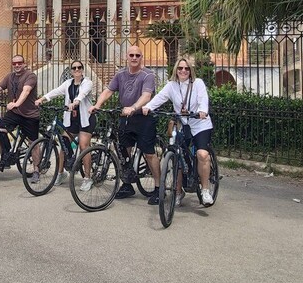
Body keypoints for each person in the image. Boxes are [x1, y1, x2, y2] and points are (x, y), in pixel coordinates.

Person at [89, 45, 159, 203]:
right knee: (123, 151)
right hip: (126, 118)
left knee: (149, 153)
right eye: (131, 55)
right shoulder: (120, 74)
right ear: (126, 57)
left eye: (137, 55)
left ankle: (158, 187)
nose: (134, 58)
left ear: (142, 58)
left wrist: (134, 107)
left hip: (143, 118)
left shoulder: (148, 75)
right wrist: (97, 105)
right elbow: (108, 91)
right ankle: (127, 184)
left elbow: (147, 96)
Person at [142, 57, 214, 206]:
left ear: (190, 71)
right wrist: (148, 107)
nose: (183, 71)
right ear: (176, 70)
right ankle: (178, 192)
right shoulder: (171, 85)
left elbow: (203, 99)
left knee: (202, 154)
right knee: (177, 157)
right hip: (183, 124)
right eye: (180, 68)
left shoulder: (198, 83)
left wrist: (202, 111)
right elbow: (160, 97)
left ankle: (205, 190)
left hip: (200, 124)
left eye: (186, 68)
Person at [0, 54, 40, 180]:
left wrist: (16, 103)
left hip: (30, 115)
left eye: (19, 63)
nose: (17, 65)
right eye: (14, 63)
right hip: (15, 113)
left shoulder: (30, 76)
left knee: (33, 143)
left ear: (24, 63)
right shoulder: (9, 77)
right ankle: (6, 155)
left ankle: (36, 170)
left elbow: (26, 91)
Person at [35, 60, 96, 188]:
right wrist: (42, 99)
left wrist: (75, 102)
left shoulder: (87, 82)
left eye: (79, 67)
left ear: (82, 69)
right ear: (71, 71)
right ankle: (61, 173)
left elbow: (82, 94)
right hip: (71, 119)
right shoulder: (68, 83)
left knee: (84, 146)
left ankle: (87, 178)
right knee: (63, 144)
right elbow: (55, 91)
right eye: (74, 68)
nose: (77, 70)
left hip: (86, 118)